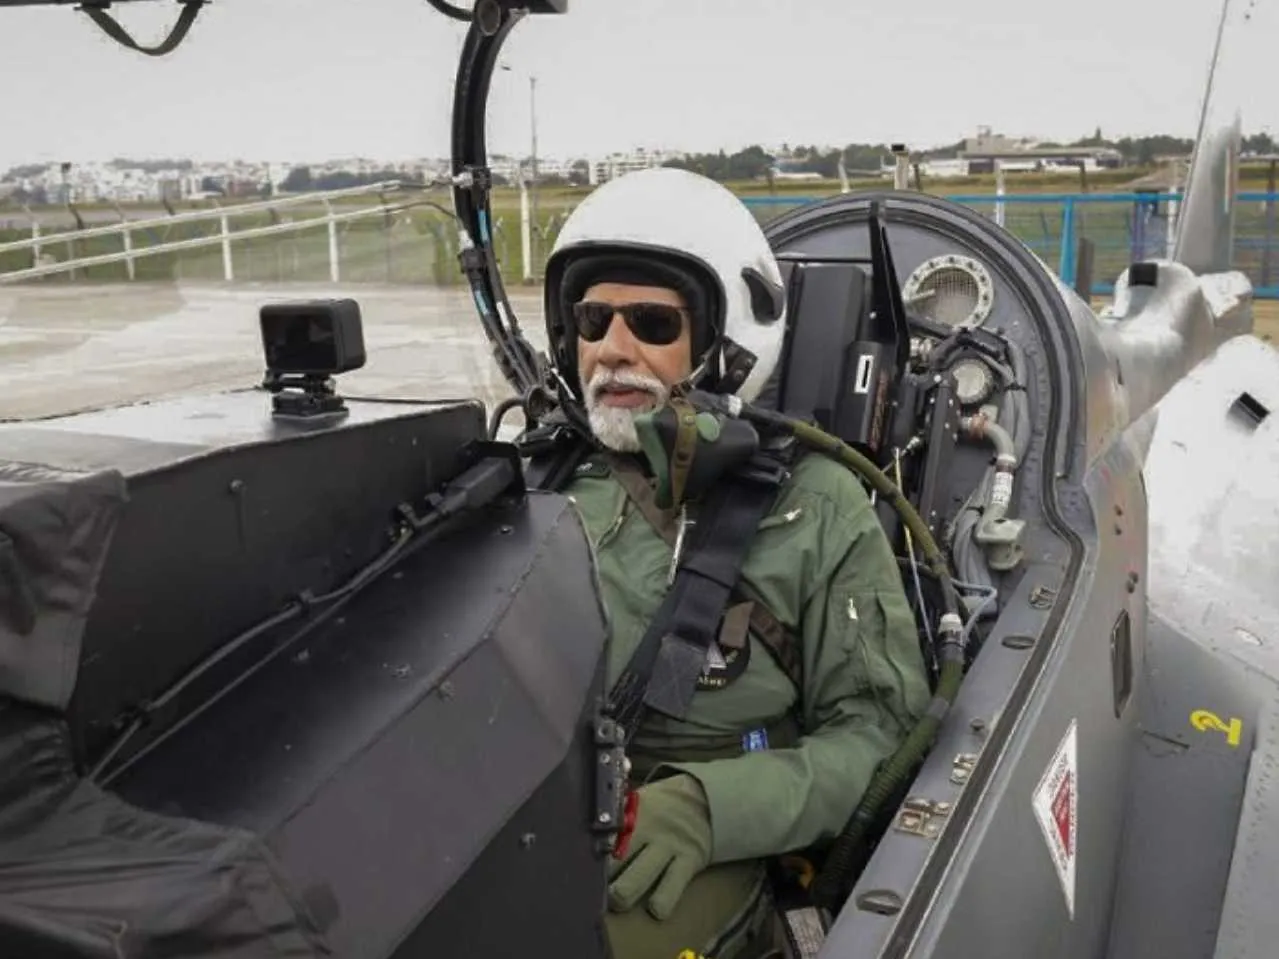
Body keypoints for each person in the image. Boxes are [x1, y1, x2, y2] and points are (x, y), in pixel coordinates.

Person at [538, 167, 932, 959]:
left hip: (704, 835)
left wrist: (711, 807)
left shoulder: (814, 506)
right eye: (591, 317)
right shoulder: (537, 477)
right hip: (532, 807)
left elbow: (878, 734)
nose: (610, 348)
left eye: (650, 322)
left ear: (723, 343)